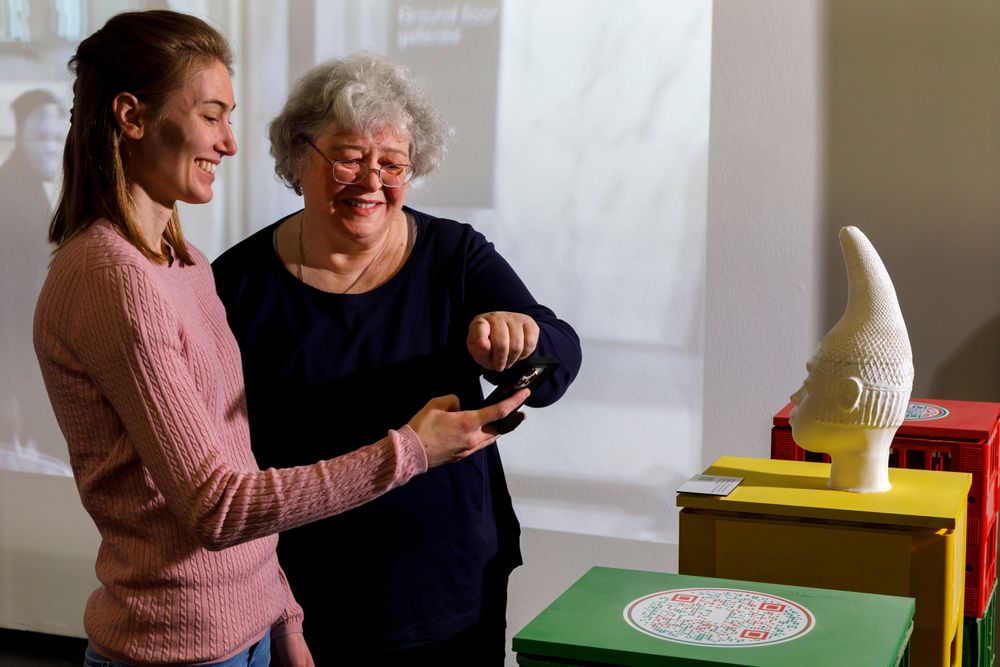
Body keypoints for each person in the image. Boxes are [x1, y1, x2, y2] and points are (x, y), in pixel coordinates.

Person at [33, 12, 528, 667]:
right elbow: (217, 505)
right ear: (130, 116)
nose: (229, 143)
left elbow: (237, 465)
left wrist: (281, 615)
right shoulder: (112, 276)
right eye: (212, 115)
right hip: (177, 649)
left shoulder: (180, 262)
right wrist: (411, 450)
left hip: (249, 634)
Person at [212, 53, 582, 665]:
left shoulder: (454, 256)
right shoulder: (239, 283)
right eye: (349, 157)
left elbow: (556, 360)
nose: (371, 180)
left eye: (392, 163)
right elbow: (225, 464)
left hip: (447, 584)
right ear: (300, 157)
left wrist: (521, 342)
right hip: (304, 594)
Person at [0, 89, 70, 473]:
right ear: (20, 134)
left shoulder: (35, 189)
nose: (49, 149)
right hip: (18, 359)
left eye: (57, 140)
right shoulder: (8, 193)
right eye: (40, 138)